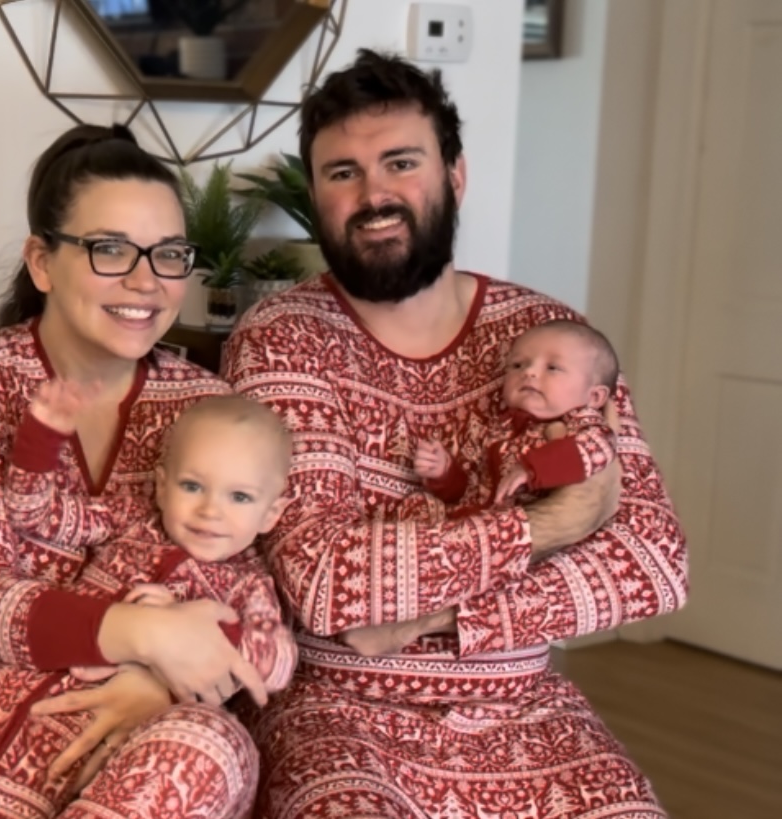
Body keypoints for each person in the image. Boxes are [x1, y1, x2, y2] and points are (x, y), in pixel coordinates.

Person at [222, 50, 688, 818]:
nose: (373, 195)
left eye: (399, 163)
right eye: (342, 173)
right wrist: (551, 522)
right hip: (342, 713)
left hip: (524, 706)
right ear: (315, 196)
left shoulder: (549, 337)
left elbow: (651, 561)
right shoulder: (282, 339)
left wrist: (433, 615)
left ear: (454, 175)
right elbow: (324, 583)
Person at [0, 122, 271, 819]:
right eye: (110, 249)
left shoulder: (206, 404)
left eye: (169, 254)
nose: (146, 281)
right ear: (41, 261)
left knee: (213, 743)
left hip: (150, 752)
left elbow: (245, 604)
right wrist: (149, 634)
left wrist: (158, 681)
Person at [0, 393, 297, 819]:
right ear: (161, 484)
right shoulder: (130, 522)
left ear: (271, 512)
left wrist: (193, 634)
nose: (211, 510)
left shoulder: (245, 588)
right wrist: (42, 437)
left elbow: (275, 662)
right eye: (194, 486)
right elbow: (36, 513)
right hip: (4, 700)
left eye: (239, 496)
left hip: (100, 729)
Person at [415, 319, 620, 510]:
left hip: (539, 534)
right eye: (517, 365)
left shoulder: (580, 422)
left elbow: (600, 446)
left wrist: (532, 469)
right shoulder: (496, 427)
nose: (529, 372)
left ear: (594, 396)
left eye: (552, 368)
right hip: (479, 527)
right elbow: (470, 491)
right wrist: (444, 473)